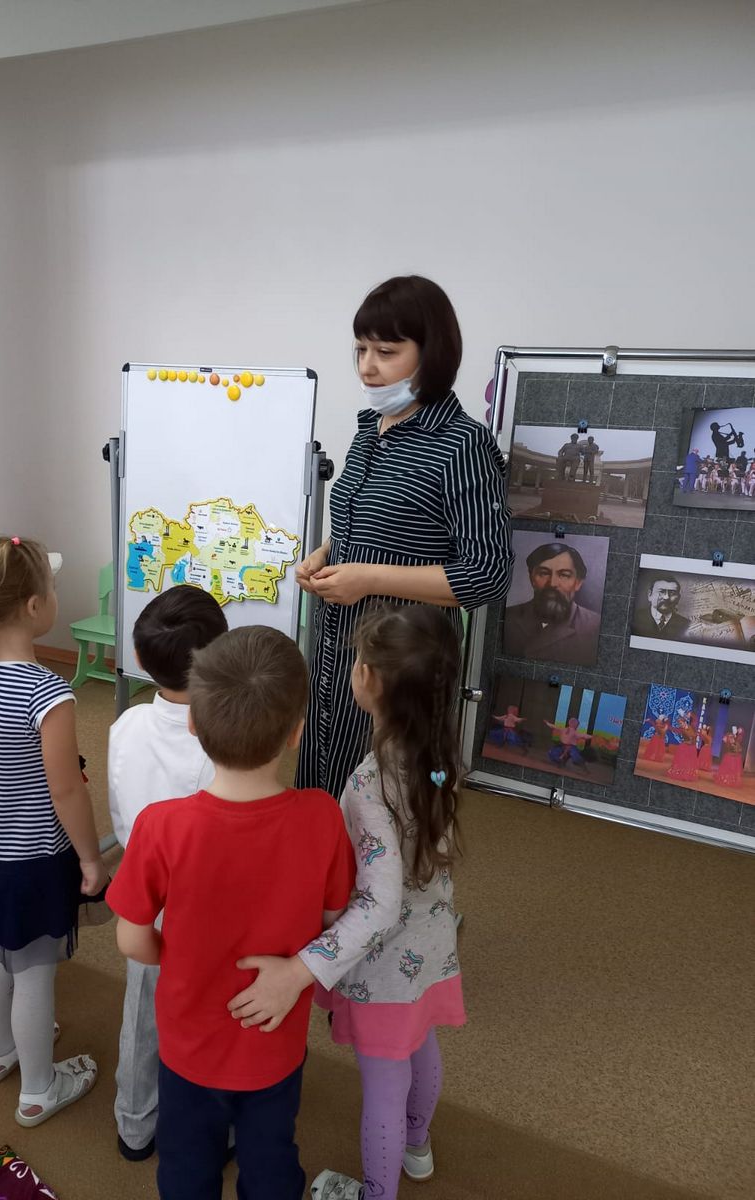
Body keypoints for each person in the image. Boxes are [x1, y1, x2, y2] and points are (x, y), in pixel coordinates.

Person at [107, 625, 355, 1200]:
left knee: (185, 1163)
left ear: (193, 722)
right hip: (275, 1040)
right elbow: (335, 918)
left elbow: (131, 939)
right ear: (296, 733)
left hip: (187, 1040)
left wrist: (178, 958)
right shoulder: (322, 816)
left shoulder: (160, 826)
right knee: (271, 1158)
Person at [227, 606, 465, 1200]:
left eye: (360, 660)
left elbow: (379, 904)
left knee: (384, 1083)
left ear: (370, 681)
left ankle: (377, 1193)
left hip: (384, 966)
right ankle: (417, 1146)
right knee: (422, 1045)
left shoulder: (366, 786)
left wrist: (304, 967)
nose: (354, 667)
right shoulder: (440, 753)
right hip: (433, 943)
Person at [296, 276, 512, 799]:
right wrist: (326, 553)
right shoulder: (370, 428)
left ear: (431, 353)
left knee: (384, 802)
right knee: (323, 786)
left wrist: (369, 578)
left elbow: (487, 574)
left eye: (386, 352)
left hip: (404, 661)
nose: (367, 366)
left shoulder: (462, 445)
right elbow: (364, 523)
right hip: (339, 646)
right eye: (361, 349)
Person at [0, 536, 108, 1127]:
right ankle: (39, 1088)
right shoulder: (47, 691)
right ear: (35, 606)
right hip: (33, 859)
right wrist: (90, 858)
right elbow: (67, 791)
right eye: (53, 589)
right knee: (34, 972)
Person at [107, 585, 228, 1163]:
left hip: (142, 899)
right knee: (215, 1019)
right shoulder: (223, 741)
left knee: (142, 1014)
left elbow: (121, 810)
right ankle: (215, 1130)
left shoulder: (126, 723)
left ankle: (134, 1123)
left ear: (138, 657)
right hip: (206, 910)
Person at [502, 542, 600, 665]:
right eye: (544, 573)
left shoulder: (595, 626)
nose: (552, 583)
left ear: (578, 583)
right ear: (532, 578)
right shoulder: (508, 617)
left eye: (564, 575)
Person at [633, 574, 690, 640]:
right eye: (661, 591)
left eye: (672, 593)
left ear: (678, 598)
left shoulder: (686, 625)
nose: (666, 597)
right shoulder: (635, 617)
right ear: (650, 595)